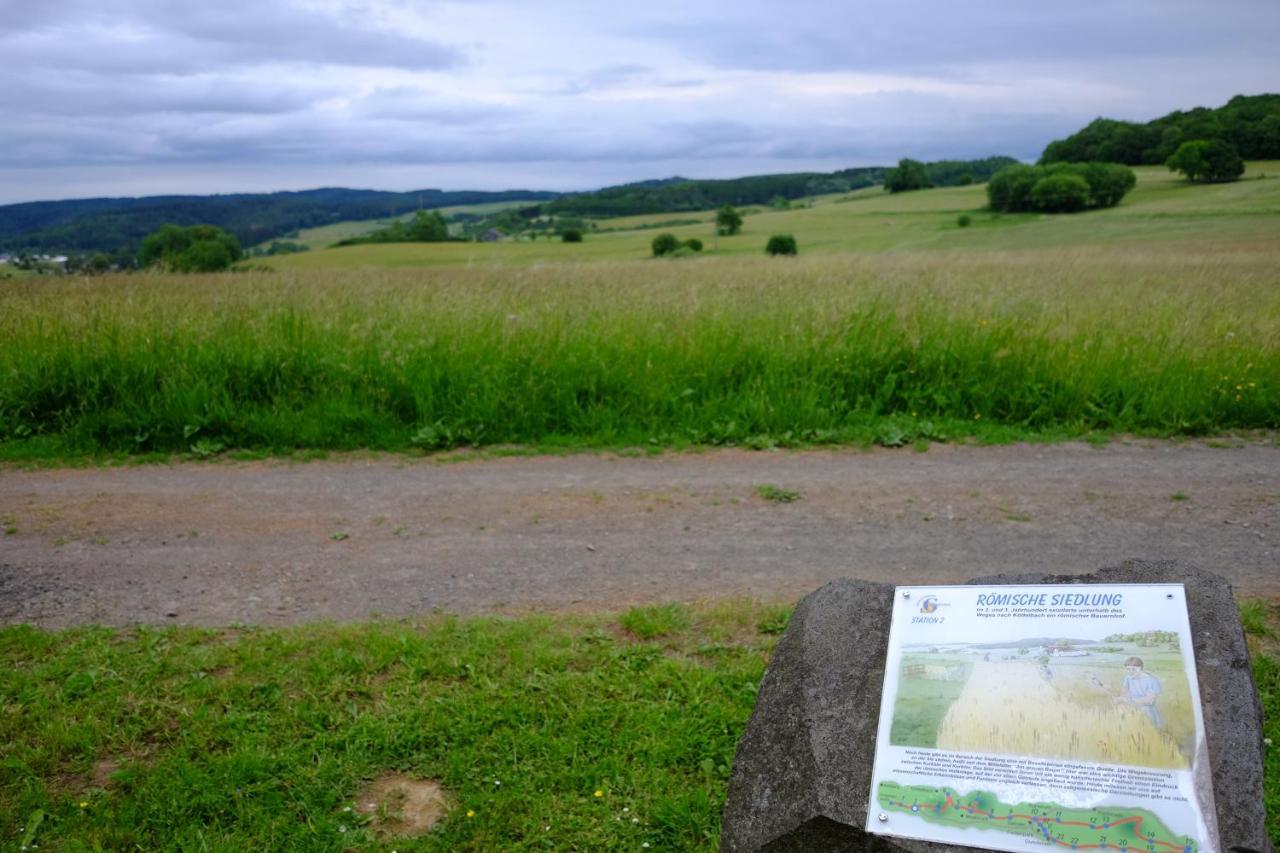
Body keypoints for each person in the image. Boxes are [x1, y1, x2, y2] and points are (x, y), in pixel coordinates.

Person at [1119, 656, 1163, 728]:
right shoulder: (1128, 677)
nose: (1130, 671)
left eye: (1134, 669)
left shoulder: (1152, 681)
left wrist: (1130, 700)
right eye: (1128, 669)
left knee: (1148, 731)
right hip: (1131, 709)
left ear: (1141, 668)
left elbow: (1150, 701)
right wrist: (1121, 698)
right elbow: (1124, 692)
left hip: (1147, 711)